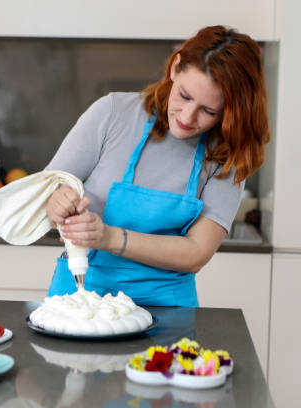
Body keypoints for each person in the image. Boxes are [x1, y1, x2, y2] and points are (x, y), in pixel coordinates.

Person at [45, 25, 270, 307]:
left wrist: (109, 237)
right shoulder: (113, 113)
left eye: (209, 111)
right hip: (79, 293)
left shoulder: (227, 153)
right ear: (175, 67)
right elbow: (47, 192)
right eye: (185, 96)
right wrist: (55, 203)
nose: (188, 117)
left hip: (167, 307)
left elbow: (197, 252)